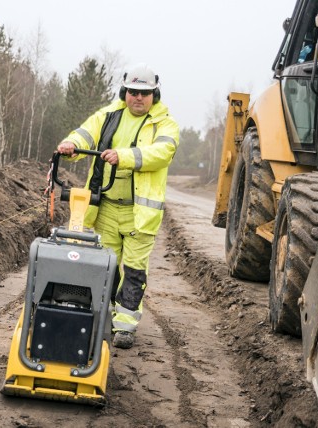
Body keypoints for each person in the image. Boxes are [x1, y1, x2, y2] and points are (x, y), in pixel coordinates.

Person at [56, 63, 180, 349]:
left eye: (145, 93)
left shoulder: (165, 124)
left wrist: (123, 156)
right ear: (125, 91)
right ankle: (105, 316)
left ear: (154, 95)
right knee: (106, 266)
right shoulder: (109, 115)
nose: (138, 98)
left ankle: (125, 326)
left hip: (140, 214)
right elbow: (85, 134)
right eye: (133, 92)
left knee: (134, 270)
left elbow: (161, 153)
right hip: (107, 207)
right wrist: (70, 144)